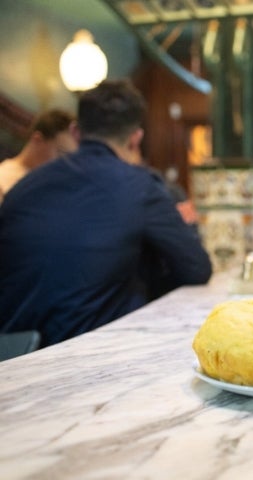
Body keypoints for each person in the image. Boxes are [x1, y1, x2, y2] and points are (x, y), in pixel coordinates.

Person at [0, 79, 212, 348]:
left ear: (76, 131)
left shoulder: (24, 187)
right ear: (136, 138)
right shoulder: (141, 187)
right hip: (84, 355)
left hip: (11, 356)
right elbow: (197, 269)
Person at [0, 108, 77, 203]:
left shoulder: (46, 186)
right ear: (38, 140)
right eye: (61, 154)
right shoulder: (5, 181)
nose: (65, 164)